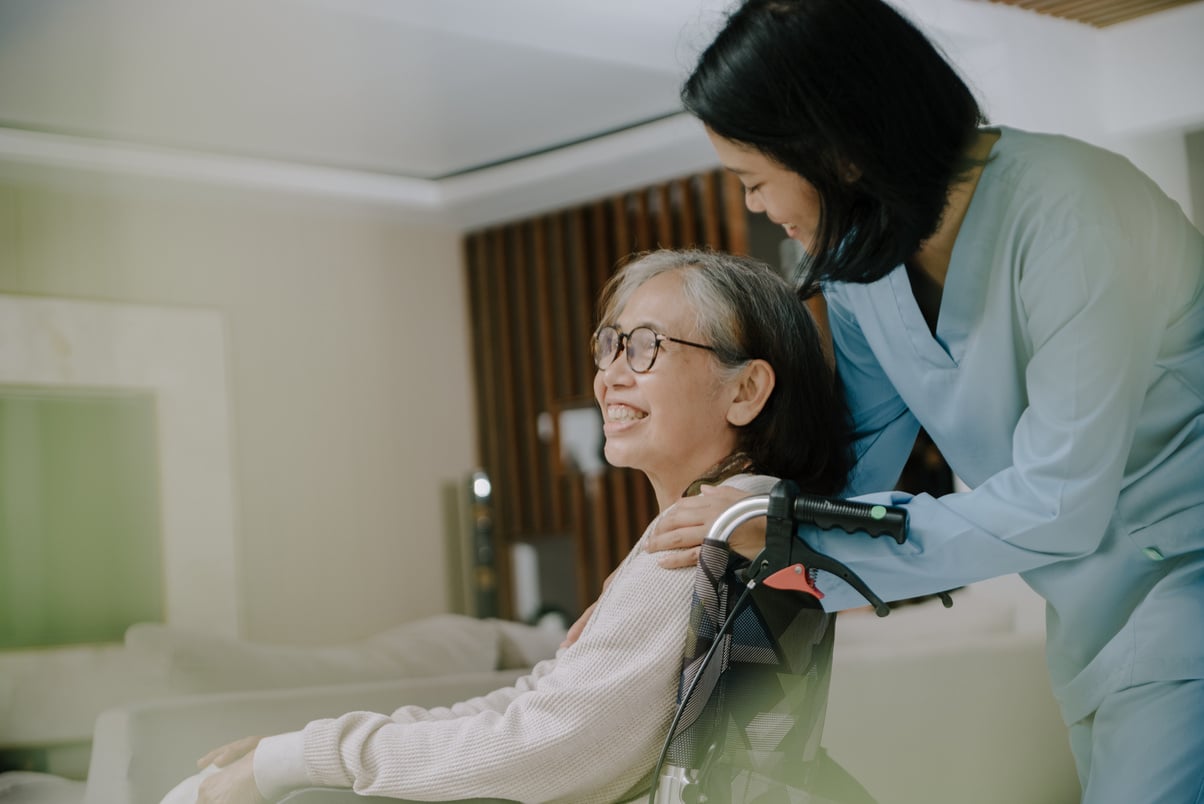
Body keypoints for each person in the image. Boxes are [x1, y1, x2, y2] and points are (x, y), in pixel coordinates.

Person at [629, 1, 1203, 801]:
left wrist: (789, 530)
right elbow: (853, 463)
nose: (755, 207)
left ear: (838, 150)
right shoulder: (865, 266)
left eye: (754, 180)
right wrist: (666, 608)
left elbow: (1061, 498)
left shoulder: (1074, 209)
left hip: (1186, 592)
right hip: (1090, 621)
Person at [171, 248, 853, 804]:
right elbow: (545, 706)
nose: (610, 375)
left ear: (745, 390)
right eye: (609, 345)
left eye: (645, 347)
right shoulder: (762, 515)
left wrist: (299, 760)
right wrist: (305, 747)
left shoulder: (708, 535)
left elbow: (548, 746)